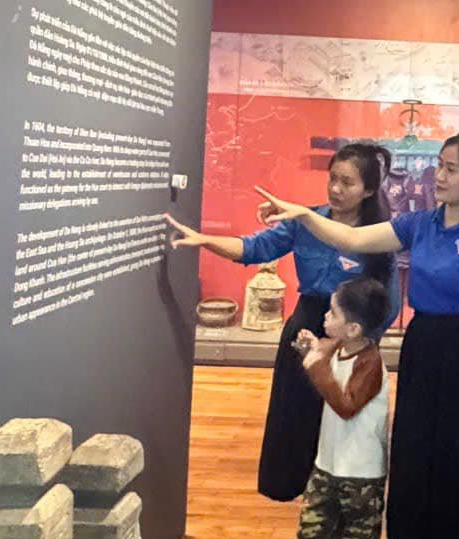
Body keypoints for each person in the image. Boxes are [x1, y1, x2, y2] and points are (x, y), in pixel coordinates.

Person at [255, 131, 459, 539]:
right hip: (422, 352)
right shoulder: (420, 224)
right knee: (416, 473)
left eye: (453, 168)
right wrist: (303, 215)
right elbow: (351, 239)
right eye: (440, 165)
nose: (440, 175)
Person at [164, 141, 395, 503]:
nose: (336, 188)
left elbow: (387, 304)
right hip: (305, 324)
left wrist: (352, 342)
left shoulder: (378, 235)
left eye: (347, 183)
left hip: (351, 337)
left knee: (340, 416)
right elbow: (253, 248)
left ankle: (330, 493)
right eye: (332, 178)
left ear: (368, 190)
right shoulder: (304, 221)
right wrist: (204, 240)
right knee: (294, 410)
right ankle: (290, 484)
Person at [263, 277, 393, 539]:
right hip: (327, 465)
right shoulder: (339, 348)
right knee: (309, 534)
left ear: (353, 328)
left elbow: (346, 405)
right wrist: (313, 350)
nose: (325, 316)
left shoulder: (371, 363)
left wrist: (315, 365)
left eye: (333, 313)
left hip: (362, 475)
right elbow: (326, 364)